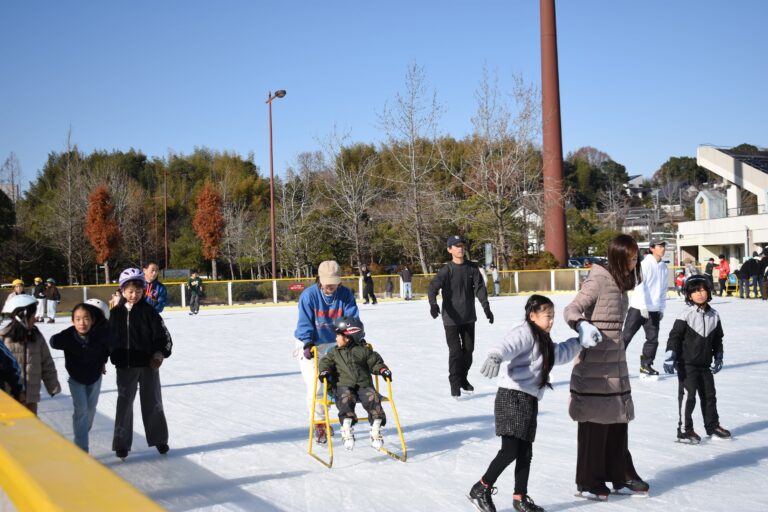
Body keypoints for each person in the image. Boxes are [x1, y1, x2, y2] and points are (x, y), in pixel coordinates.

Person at [467, 295, 582, 512]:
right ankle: (481, 488)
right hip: (512, 397)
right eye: (548, 316)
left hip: (528, 399)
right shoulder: (526, 332)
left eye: (553, 317)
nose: (551, 321)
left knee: (525, 452)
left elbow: (560, 354)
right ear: (532, 316)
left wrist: (579, 342)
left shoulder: (544, 340)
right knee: (510, 450)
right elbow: (507, 344)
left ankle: (520, 497)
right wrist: (495, 356)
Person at [563, 234, 648, 500]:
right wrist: (582, 325)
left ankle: (619, 474)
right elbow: (572, 308)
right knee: (595, 422)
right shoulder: (599, 278)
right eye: (629, 258)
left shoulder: (622, 281)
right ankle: (589, 480)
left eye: (636, 259)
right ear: (617, 257)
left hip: (615, 359)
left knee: (618, 419)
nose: (633, 264)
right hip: (595, 362)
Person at [109, 268, 173, 460]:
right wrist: (103, 358)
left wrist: (159, 354)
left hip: (148, 366)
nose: (133, 294)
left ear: (143, 290)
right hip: (125, 366)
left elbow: (163, 336)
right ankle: (121, 444)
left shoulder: (149, 312)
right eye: (129, 290)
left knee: (153, 402)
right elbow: (108, 339)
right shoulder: (116, 314)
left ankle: (159, 439)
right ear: (122, 291)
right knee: (124, 404)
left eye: (138, 290)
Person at [294, 260, 359, 444]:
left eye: (334, 281)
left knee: (342, 382)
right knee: (316, 385)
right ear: (319, 279)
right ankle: (320, 423)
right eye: (327, 282)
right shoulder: (309, 296)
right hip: (311, 343)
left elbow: (352, 319)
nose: (330, 286)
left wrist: (355, 338)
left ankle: (342, 417)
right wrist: (307, 343)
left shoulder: (345, 294)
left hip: (334, 342)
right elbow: (304, 322)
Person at [663, 275, 731, 443]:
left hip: (705, 364)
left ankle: (712, 425)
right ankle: (685, 430)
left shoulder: (714, 315)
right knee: (689, 396)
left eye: (703, 290)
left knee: (709, 396)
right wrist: (670, 355)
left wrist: (719, 355)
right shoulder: (685, 314)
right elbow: (675, 337)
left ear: (709, 291)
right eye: (695, 291)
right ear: (688, 295)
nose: (700, 294)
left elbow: (718, 339)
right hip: (687, 364)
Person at [428, 235, 493, 399]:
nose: (460, 248)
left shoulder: (472, 268)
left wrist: (486, 308)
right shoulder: (446, 270)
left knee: (469, 350)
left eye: (462, 245)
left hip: (469, 317)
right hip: (451, 319)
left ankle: (463, 378)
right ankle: (455, 382)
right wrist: (433, 304)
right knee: (456, 351)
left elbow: (480, 289)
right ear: (450, 249)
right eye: (456, 246)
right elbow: (433, 288)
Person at [318, 316, 390, 451]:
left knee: (372, 397)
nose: (335, 339)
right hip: (343, 385)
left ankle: (376, 428)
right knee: (346, 398)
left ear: (348, 337)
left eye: (338, 335)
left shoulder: (364, 350)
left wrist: (382, 369)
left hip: (363, 384)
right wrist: (325, 371)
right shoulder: (334, 352)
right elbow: (325, 362)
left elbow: (375, 362)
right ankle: (346, 427)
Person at [49, 300, 110, 452]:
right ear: (72, 321)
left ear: (92, 320)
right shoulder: (68, 335)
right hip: (76, 379)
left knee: (90, 410)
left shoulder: (100, 334)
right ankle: (81, 448)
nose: (82, 323)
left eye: (86, 318)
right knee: (81, 410)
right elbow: (53, 341)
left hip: (95, 377)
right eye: (78, 319)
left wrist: (104, 360)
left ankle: (82, 430)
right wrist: (61, 340)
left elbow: (107, 347)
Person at [0, 294, 61, 415]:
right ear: (22, 316)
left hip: (31, 395)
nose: (35, 318)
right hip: (10, 395)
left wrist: (52, 385)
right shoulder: (3, 338)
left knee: (31, 427)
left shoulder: (36, 336)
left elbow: (46, 362)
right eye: (33, 315)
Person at [622, 238, 668, 376]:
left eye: (664, 246)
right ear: (652, 248)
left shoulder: (663, 267)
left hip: (653, 309)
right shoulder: (644, 264)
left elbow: (663, 289)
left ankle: (646, 365)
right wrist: (642, 306)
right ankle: (614, 363)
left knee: (652, 339)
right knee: (626, 336)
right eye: (660, 246)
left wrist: (661, 308)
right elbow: (640, 285)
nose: (663, 248)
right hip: (638, 308)